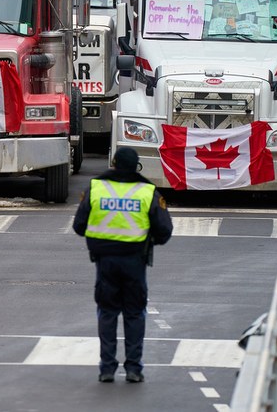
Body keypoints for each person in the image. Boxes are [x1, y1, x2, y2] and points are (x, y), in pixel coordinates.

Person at [72, 147, 173, 384]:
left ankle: (107, 368)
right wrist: (148, 241)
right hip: (135, 261)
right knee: (134, 313)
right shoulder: (148, 191)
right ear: (136, 166)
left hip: (105, 262)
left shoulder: (96, 187)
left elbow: (79, 225)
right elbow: (165, 230)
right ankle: (134, 369)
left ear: (114, 164)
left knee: (107, 313)